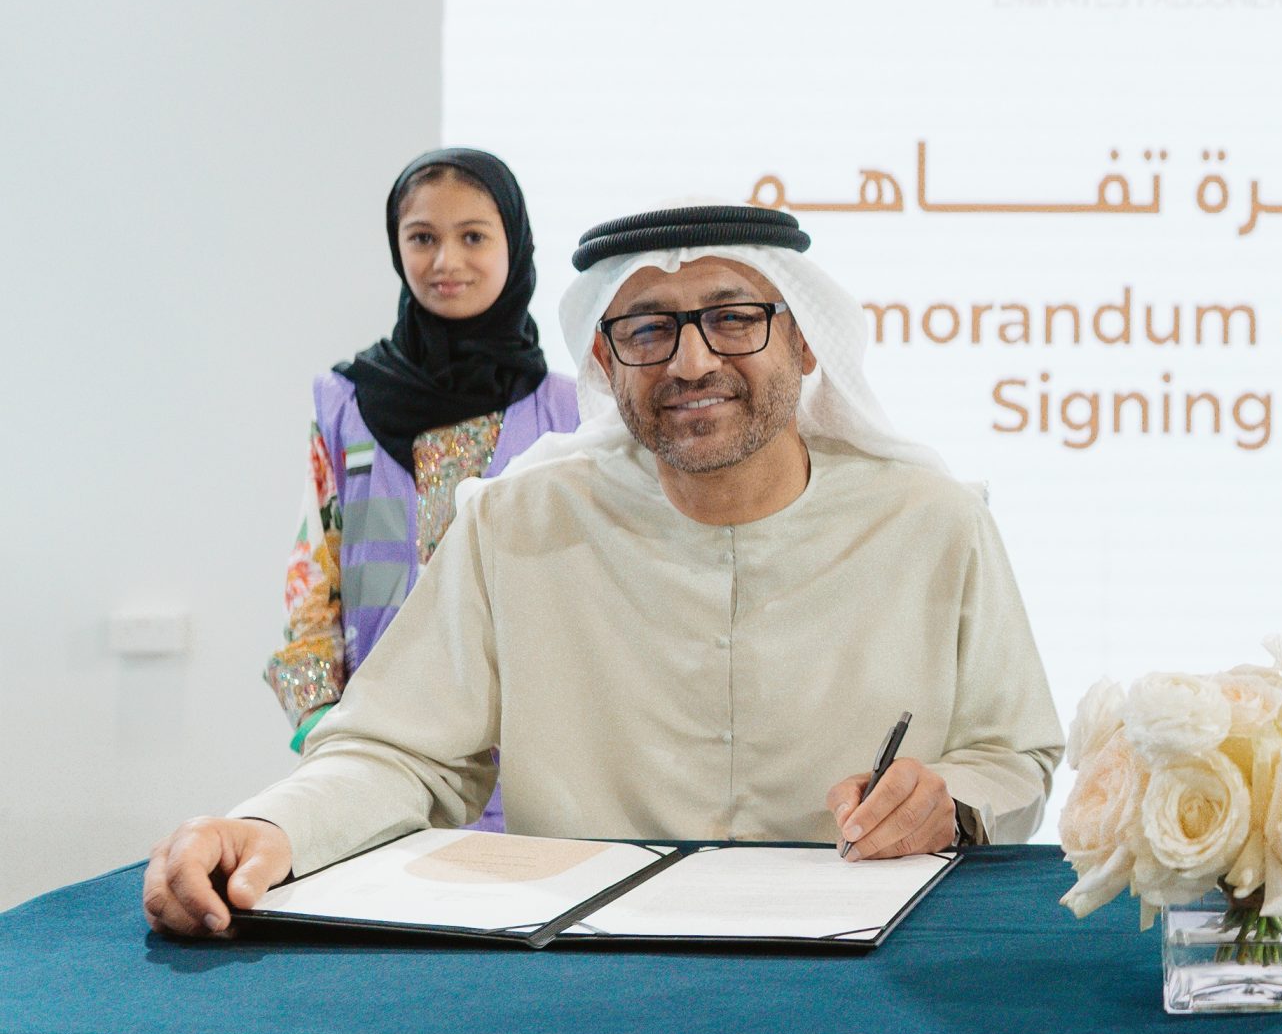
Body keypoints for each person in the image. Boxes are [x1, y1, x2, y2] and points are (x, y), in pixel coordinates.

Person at [148, 204, 1062, 936]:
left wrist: (951, 802)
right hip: (587, 982)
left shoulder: (933, 522)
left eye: (734, 319)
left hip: (865, 974)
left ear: (807, 341)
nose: (692, 361)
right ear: (603, 356)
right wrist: (268, 826)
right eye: (649, 329)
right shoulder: (515, 524)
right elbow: (397, 752)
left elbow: (1012, 753)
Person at [262, 149, 581, 830]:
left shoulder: (570, 411)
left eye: (473, 236)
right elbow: (314, 576)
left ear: (514, 243)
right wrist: (320, 719)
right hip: (379, 761)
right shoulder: (346, 400)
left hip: (537, 768)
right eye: (423, 237)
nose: (446, 261)